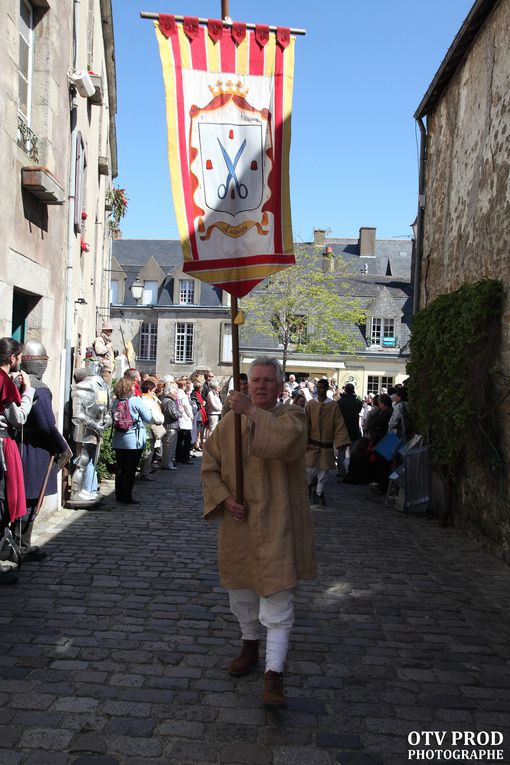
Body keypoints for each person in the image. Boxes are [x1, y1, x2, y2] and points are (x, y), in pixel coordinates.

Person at [201, 356, 317, 707]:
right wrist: (225, 498)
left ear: (280, 387)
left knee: (278, 598)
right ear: (247, 385)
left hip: (279, 522)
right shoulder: (228, 424)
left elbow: (287, 441)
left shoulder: (292, 416)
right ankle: (249, 645)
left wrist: (251, 411)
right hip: (240, 522)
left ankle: (274, 674)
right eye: (256, 380)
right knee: (241, 592)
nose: (262, 385)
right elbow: (210, 467)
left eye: (269, 381)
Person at [17, 340, 71, 561]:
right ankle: (21, 545)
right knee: (30, 499)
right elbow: (47, 425)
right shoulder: (40, 389)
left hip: (17, 445)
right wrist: (62, 446)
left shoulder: (17, 383)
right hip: (34, 450)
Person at [0, 338, 35, 583]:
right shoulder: (3, 382)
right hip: (1, 445)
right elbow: (18, 417)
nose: (20, 361)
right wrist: (29, 391)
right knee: (2, 502)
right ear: (12, 358)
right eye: (19, 357)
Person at [69, 360, 112, 507]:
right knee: (83, 459)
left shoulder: (102, 387)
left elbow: (106, 409)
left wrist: (107, 420)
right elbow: (78, 416)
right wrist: (96, 426)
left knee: (92, 459)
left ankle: (88, 489)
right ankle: (77, 491)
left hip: (96, 428)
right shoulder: (85, 386)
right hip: (85, 429)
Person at [305, 378, 350, 506]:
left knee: (323, 473)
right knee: (310, 470)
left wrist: (341, 441)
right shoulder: (310, 405)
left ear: (326, 389)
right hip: (312, 445)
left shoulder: (333, 405)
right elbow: (305, 423)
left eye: (322, 388)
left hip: (326, 445)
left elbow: (339, 424)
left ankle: (319, 493)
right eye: (318, 388)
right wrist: (305, 440)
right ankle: (308, 488)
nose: (320, 390)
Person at [111, 377, 152, 504]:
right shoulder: (135, 401)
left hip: (118, 439)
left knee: (120, 468)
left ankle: (118, 494)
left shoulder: (115, 402)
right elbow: (148, 417)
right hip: (134, 440)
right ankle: (127, 496)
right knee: (130, 470)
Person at [139, 378, 164, 481]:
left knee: (145, 453)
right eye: (153, 390)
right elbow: (157, 418)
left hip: (142, 429)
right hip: (149, 429)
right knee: (148, 454)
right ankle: (144, 473)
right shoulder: (149, 402)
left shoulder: (140, 399)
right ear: (149, 391)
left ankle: (144, 472)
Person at [337, 383, 362, 477]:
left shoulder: (340, 402)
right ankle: (352, 471)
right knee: (353, 453)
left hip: (343, 429)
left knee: (341, 452)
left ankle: (341, 472)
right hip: (354, 429)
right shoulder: (358, 402)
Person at [160, 382, 179, 470]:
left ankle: (166, 463)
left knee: (167, 446)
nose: (176, 394)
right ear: (170, 393)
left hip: (168, 425)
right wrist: (181, 413)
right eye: (175, 393)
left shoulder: (165, 400)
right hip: (171, 426)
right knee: (169, 447)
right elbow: (174, 414)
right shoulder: (169, 401)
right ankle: (168, 464)